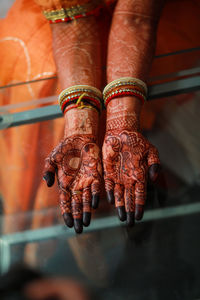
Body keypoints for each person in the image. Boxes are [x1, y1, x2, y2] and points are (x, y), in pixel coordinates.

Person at [0, 0, 200, 235]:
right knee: (64, 167)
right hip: (50, 33)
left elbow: (136, 15)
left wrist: (122, 122)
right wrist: (78, 128)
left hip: (159, 26)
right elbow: (70, 18)